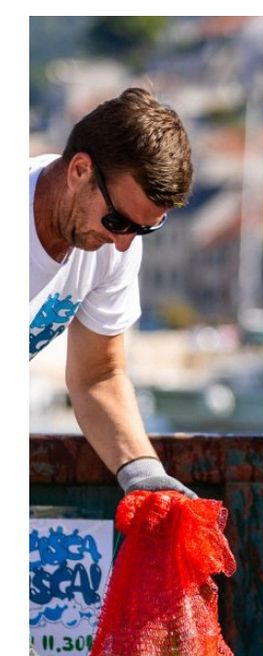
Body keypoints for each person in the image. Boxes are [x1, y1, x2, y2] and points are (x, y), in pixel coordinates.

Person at [31, 88, 196, 498]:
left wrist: (144, 478)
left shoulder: (113, 246)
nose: (122, 244)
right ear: (80, 171)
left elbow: (97, 377)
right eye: (118, 220)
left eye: (144, 229)